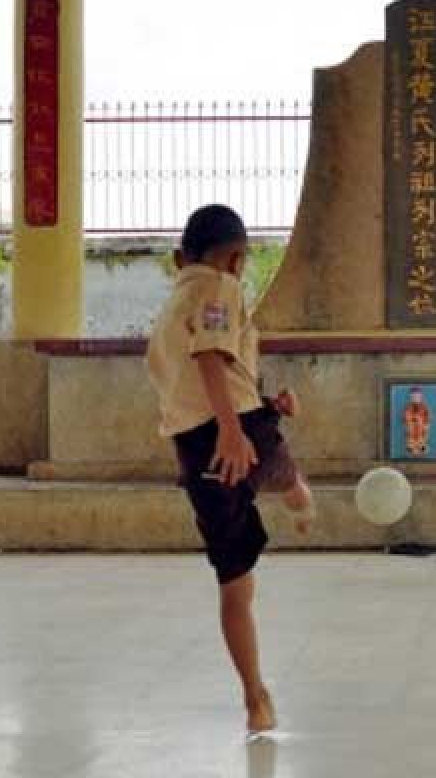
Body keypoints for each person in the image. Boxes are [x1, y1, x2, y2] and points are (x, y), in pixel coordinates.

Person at [146, 204, 316, 733]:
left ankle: (254, 697)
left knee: (234, 580)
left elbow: (208, 367)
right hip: (233, 427)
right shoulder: (221, 286)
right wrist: (233, 427)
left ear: (180, 257)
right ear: (237, 259)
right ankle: (297, 497)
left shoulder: (170, 307)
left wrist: (258, 406)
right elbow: (211, 359)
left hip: (195, 446)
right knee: (286, 479)